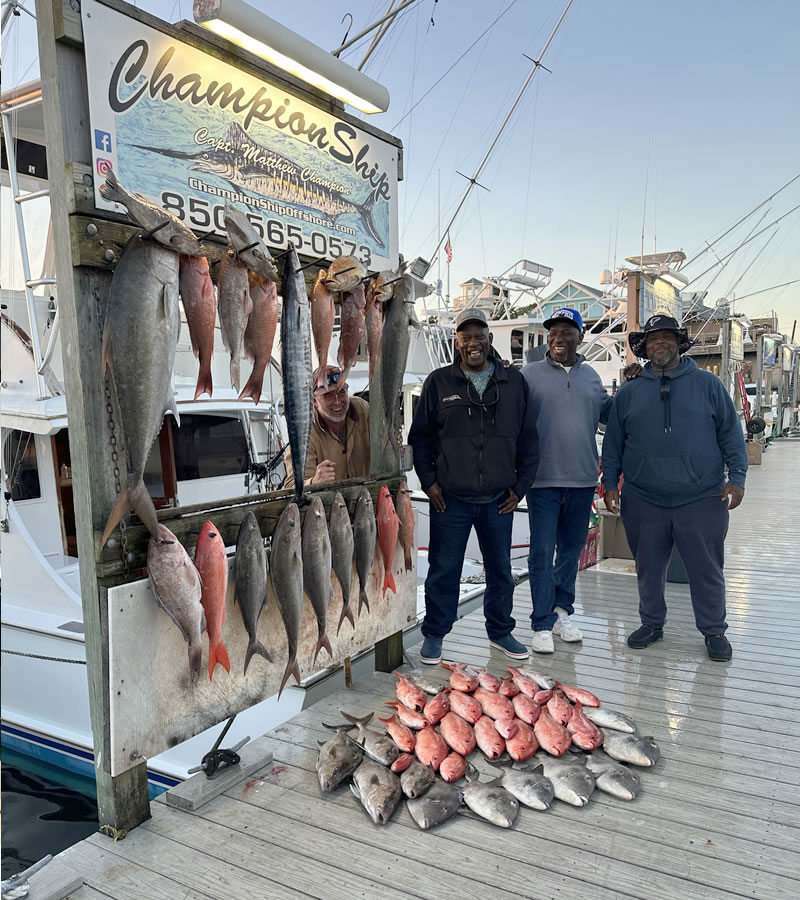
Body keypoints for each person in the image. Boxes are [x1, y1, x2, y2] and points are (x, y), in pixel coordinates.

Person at [601, 314, 747, 661]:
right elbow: (613, 443)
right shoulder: (630, 391)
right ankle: (652, 623)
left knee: (707, 569)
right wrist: (609, 484)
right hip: (643, 498)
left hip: (701, 498)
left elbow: (731, 434)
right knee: (648, 568)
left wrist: (737, 478)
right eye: (653, 339)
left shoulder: (708, 386)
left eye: (667, 338)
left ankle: (714, 630)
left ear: (679, 344)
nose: (660, 344)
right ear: (645, 348)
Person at [408, 307, 537, 665]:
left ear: (489, 339)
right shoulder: (438, 382)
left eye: (479, 336)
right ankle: (434, 634)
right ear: (457, 342)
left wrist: (520, 487)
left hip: (499, 499)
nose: (473, 343)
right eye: (466, 337)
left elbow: (529, 440)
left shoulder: (515, 383)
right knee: (443, 570)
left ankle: (500, 631)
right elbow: (420, 439)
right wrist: (429, 482)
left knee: (501, 572)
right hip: (451, 499)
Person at [521, 307, 612, 654]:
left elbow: (608, 414)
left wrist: (635, 386)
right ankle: (541, 622)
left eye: (566, 332)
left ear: (580, 336)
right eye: (553, 332)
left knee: (570, 552)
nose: (558, 338)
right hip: (542, 480)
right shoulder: (528, 374)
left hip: (583, 479)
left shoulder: (591, 377)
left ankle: (562, 613)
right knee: (541, 552)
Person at [284, 365, 370, 488]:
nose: (337, 401)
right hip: (327, 506)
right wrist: (314, 482)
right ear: (314, 401)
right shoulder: (303, 433)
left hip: (366, 501)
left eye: (341, 392)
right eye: (327, 395)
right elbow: (291, 486)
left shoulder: (362, 408)